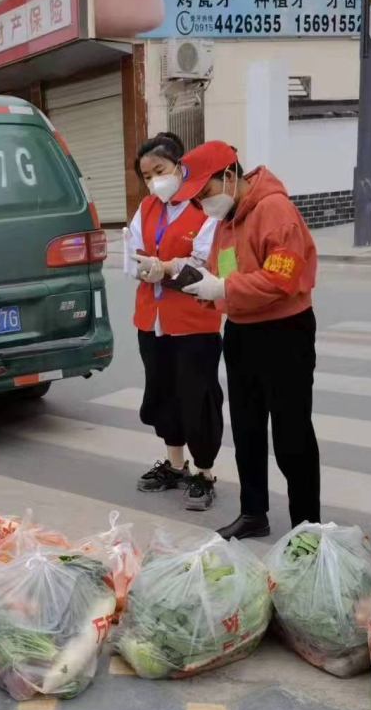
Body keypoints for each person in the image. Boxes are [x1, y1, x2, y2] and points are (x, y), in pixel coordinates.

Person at [175, 141, 321, 540]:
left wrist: (221, 286)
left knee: (291, 435)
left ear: (229, 176)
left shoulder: (275, 211)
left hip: (284, 333)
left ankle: (307, 526)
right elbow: (224, 273)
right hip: (242, 332)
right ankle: (253, 511)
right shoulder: (227, 221)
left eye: (204, 194)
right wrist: (202, 287)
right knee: (247, 429)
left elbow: (281, 279)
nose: (203, 204)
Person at [126, 132, 224, 511]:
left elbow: (207, 265)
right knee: (163, 392)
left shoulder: (205, 209)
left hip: (193, 322)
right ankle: (175, 464)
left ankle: (204, 472)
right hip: (153, 320)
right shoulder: (148, 208)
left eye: (160, 171)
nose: (154, 182)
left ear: (180, 167)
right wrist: (141, 265)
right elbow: (135, 250)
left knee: (197, 397)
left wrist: (164, 268)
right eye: (147, 176)